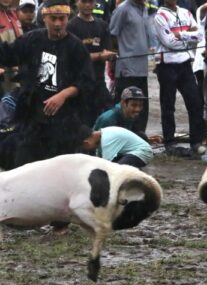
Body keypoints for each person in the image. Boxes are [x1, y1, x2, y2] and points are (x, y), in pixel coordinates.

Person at [0, 0, 95, 168]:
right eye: (53, 18)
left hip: (63, 122)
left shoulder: (76, 47)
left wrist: (63, 95)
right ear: (44, 17)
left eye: (62, 18)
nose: (58, 24)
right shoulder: (33, 39)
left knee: (57, 171)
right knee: (25, 167)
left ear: (67, 18)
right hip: (31, 119)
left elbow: (86, 81)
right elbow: (7, 54)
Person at [153, 0, 206, 155]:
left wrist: (181, 34)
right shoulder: (159, 16)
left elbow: (200, 35)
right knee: (168, 105)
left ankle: (196, 141)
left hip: (184, 63)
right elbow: (169, 42)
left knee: (195, 101)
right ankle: (169, 142)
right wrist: (190, 35)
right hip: (166, 65)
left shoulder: (185, 12)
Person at [68, 0, 116, 125]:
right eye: (84, 2)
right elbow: (74, 58)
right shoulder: (70, 26)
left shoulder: (102, 25)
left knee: (111, 113)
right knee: (84, 121)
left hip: (99, 81)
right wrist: (99, 56)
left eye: (90, 2)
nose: (88, 5)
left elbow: (108, 50)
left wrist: (110, 55)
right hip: (80, 83)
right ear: (77, 3)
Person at [109, 0, 150, 131]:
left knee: (141, 108)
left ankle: (139, 138)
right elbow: (111, 35)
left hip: (142, 68)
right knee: (125, 109)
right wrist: (121, 55)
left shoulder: (144, 8)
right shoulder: (123, 9)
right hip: (127, 69)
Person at [94, 86, 161, 144]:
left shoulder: (129, 115)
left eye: (140, 105)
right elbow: (97, 145)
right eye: (134, 105)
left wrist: (147, 140)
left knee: (142, 137)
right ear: (123, 103)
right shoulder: (108, 119)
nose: (137, 109)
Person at [80, 125, 154, 168]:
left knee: (116, 170)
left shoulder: (106, 140)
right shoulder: (103, 133)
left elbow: (106, 166)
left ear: (86, 143)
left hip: (143, 152)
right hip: (131, 152)